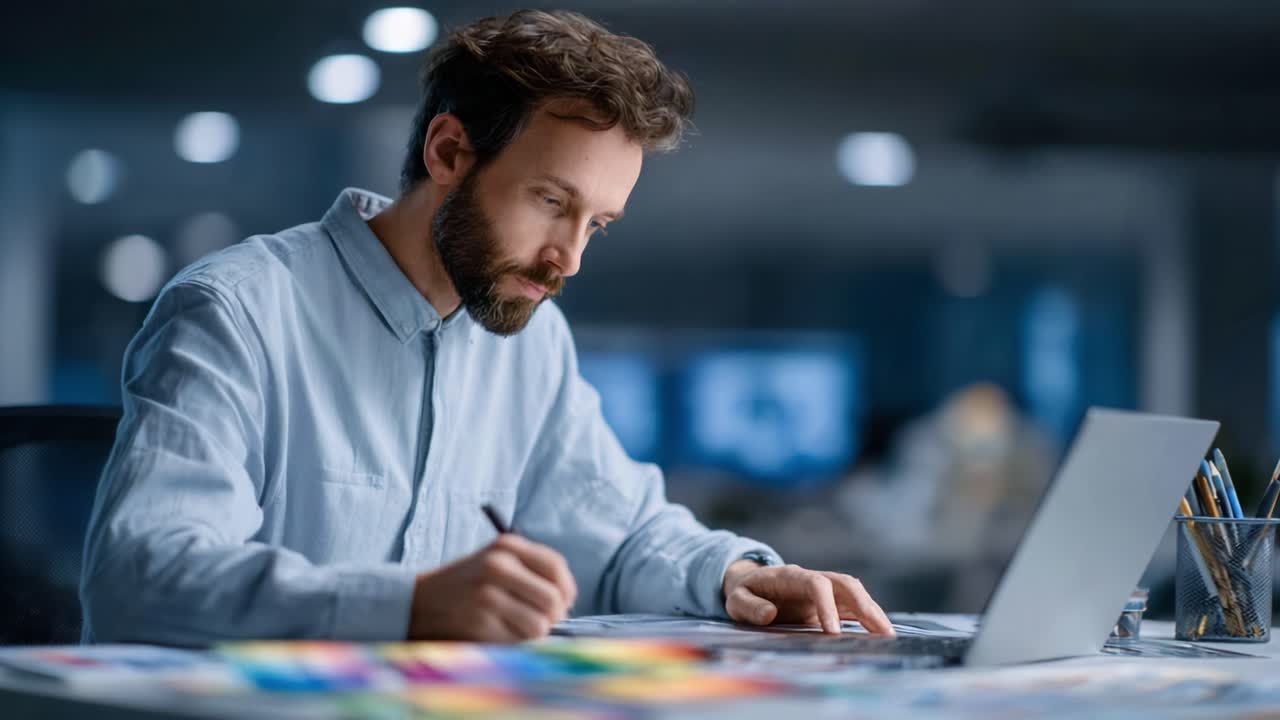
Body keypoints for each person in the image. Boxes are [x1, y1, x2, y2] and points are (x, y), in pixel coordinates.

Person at [79, 9, 892, 646]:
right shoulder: (239, 311)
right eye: (551, 202)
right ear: (448, 152)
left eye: (597, 224)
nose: (568, 260)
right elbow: (142, 575)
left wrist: (735, 574)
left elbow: (622, 534)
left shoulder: (530, 343)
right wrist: (410, 605)